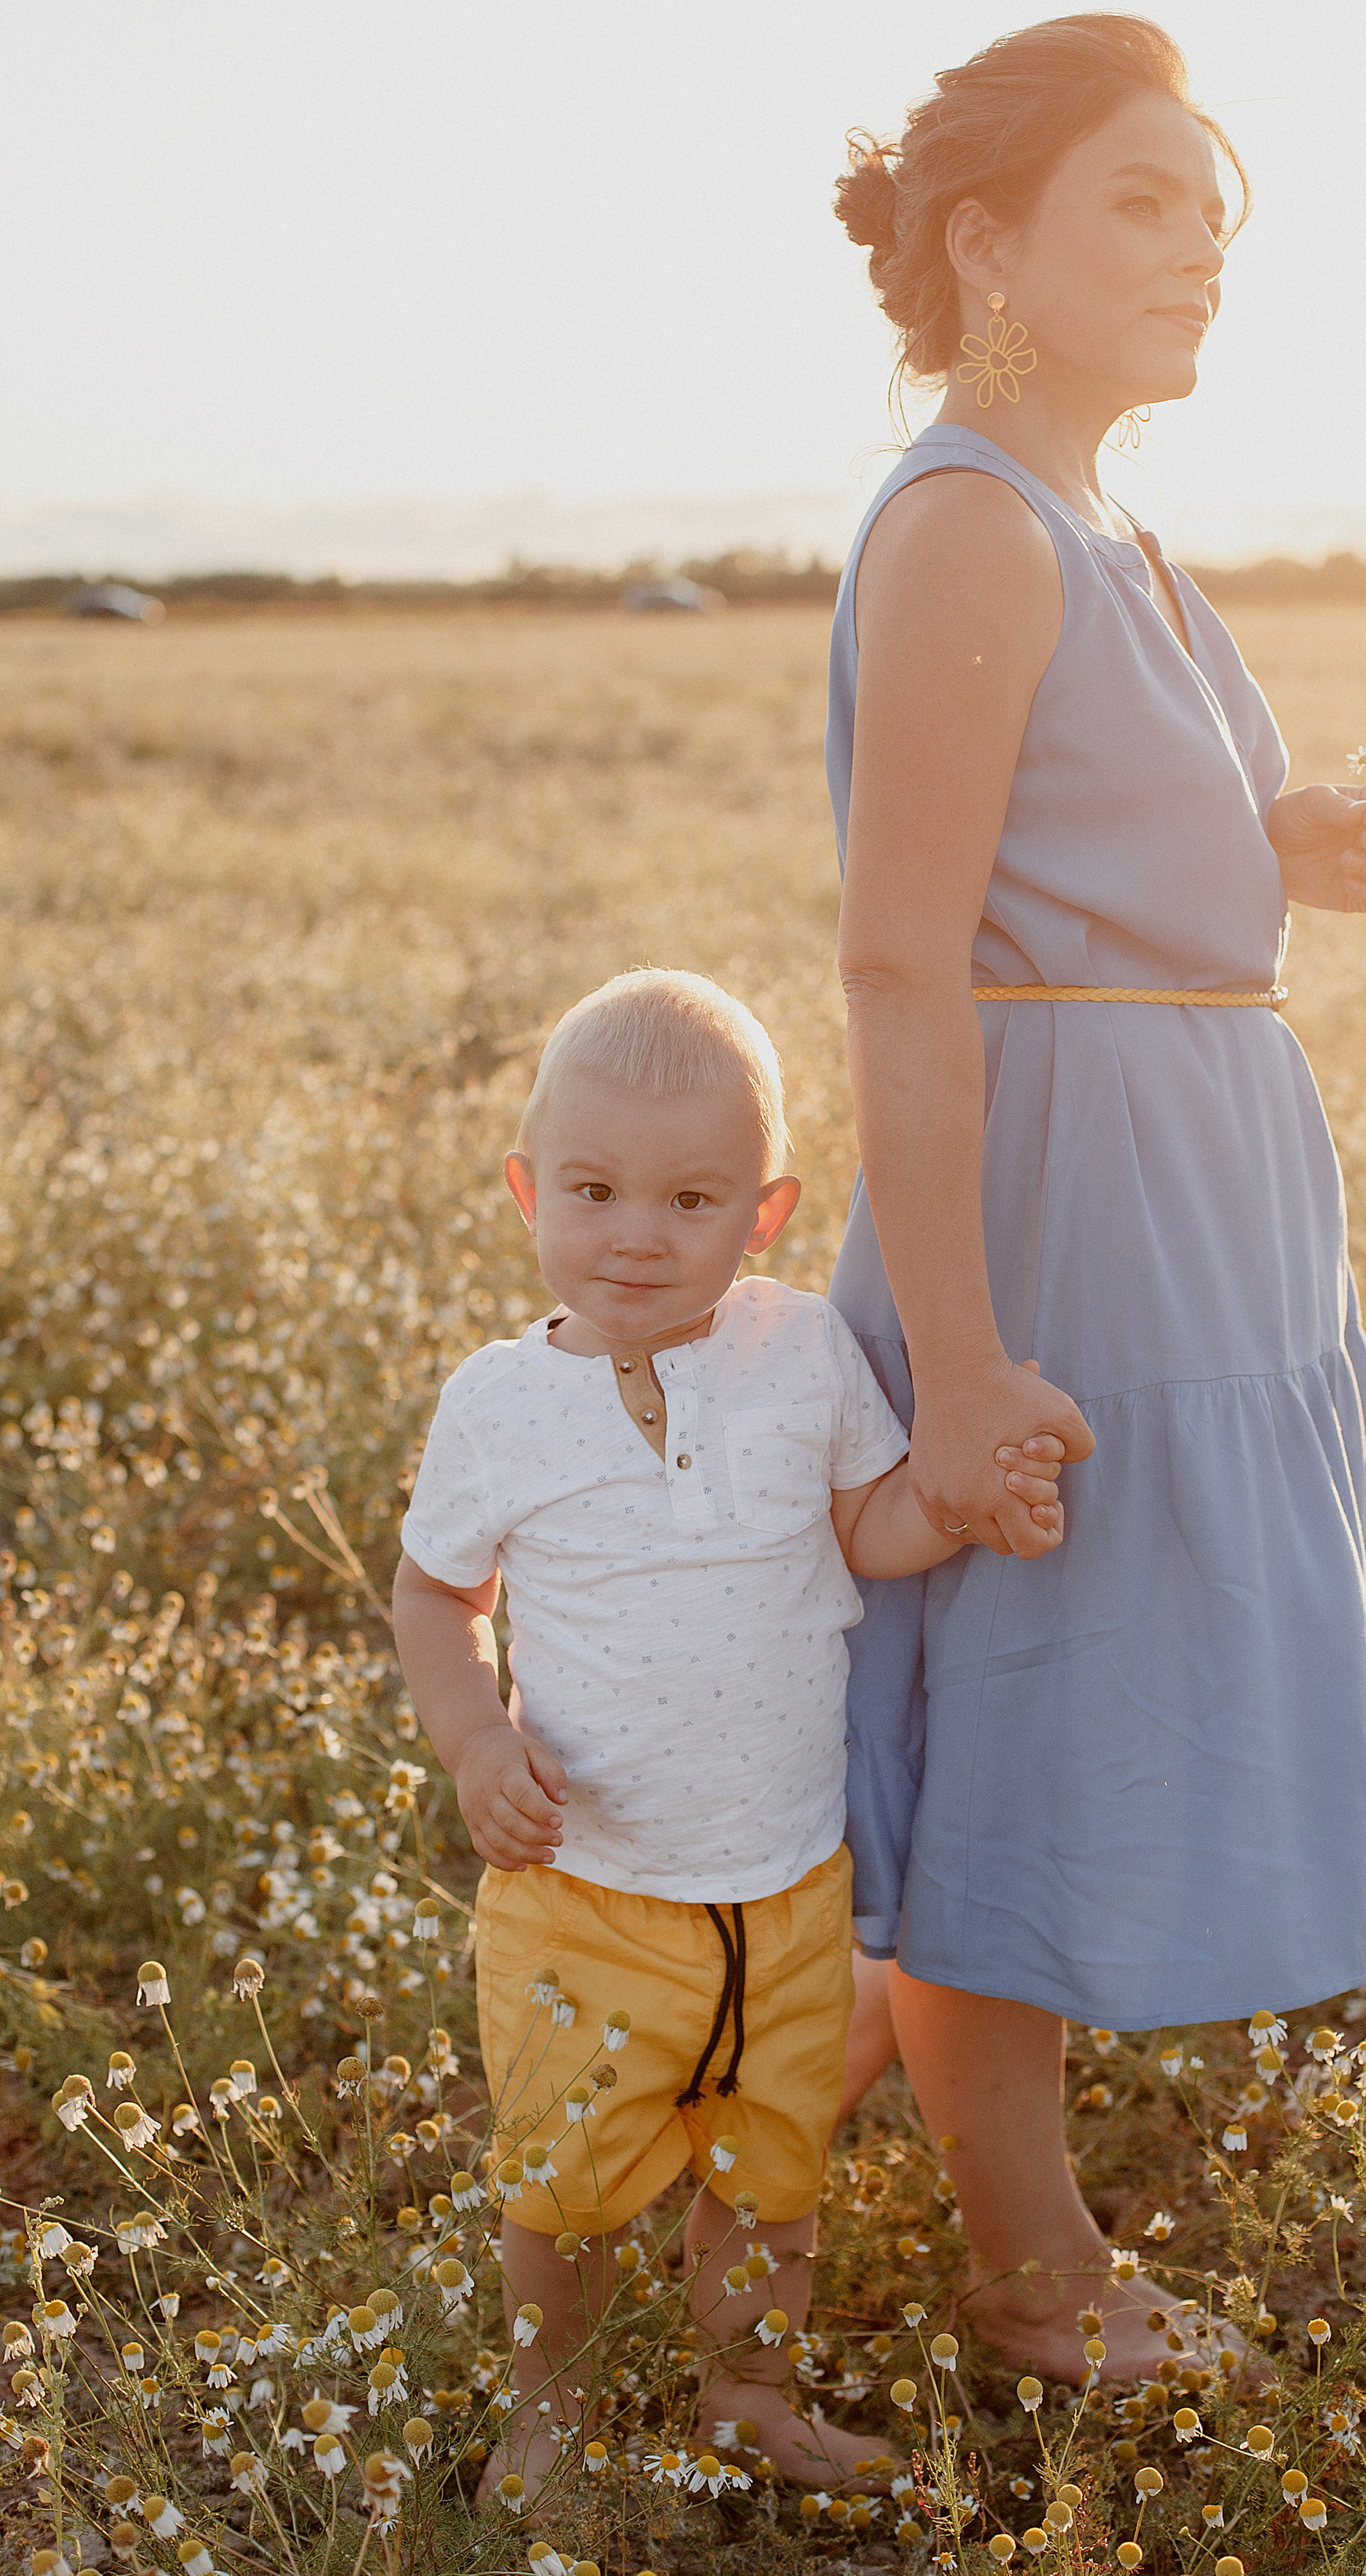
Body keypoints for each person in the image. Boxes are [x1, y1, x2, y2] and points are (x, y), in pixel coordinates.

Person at [826, 13, 1366, 2382]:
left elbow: (1073, 848)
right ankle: (1033, 2278)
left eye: (1219, 211)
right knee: (1023, 1705)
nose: (1202, 249)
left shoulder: (1100, 521)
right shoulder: (976, 524)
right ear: (987, 243)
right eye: (1143, 200)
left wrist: (1269, 844)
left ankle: (747, 2142)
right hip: (1063, 1211)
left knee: (1068, 1691)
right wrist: (962, 1359)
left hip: (1198, 1199)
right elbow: (905, 958)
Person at [391, 968, 1064, 2502]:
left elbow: (870, 1528)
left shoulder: (802, 1350)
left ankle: (748, 2396)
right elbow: (436, 1597)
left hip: (784, 1886)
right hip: (588, 1888)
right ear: (527, 1192)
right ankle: (552, 2414)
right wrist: (478, 1744)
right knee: (562, 2190)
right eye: (594, 1191)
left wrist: (964, 1502)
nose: (636, 1233)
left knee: (772, 2179)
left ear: (763, 1216)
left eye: (689, 1200)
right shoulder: (498, 1403)